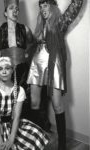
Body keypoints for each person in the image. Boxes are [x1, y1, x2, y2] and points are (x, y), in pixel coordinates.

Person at [27, 0, 83, 150]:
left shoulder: (60, 22)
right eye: (40, 6)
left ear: (52, 7)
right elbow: (32, 45)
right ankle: (36, 140)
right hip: (37, 61)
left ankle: (62, 145)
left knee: (57, 104)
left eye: (45, 5)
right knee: (34, 102)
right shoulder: (39, 26)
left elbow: (75, 7)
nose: (42, 8)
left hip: (53, 61)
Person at [0, 57, 49, 150]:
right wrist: (0, 141)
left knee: (35, 135)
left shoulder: (19, 90)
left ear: (12, 70)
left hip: (13, 124)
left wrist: (11, 139)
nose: (4, 72)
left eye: (7, 68)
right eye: (0, 69)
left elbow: (16, 116)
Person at [0, 0, 33, 88]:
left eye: (17, 9)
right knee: (6, 94)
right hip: (5, 67)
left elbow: (31, 43)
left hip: (22, 68)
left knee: (22, 95)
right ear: (5, 13)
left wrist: (27, 52)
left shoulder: (25, 29)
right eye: (11, 8)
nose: (15, 11)